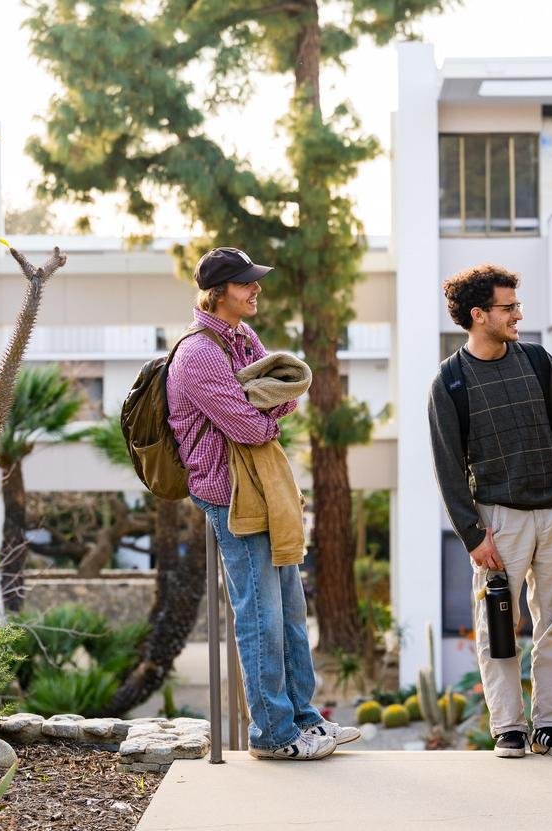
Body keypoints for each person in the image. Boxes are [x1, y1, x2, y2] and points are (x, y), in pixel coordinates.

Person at [167, 246, 359, 760]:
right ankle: (272, 734)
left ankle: (303, 719)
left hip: (267, 491)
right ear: (217, 291)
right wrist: (261, 401)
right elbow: (252, 425)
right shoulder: (199, 354)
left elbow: (289, 389)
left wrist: (260, 398)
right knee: (261, 620)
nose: (256, 289)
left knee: (293, 615)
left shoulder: (242, 337)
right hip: (232, 498)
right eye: (245, 283)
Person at [428, 263, 552, 759]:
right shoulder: (449, 383)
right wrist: (473, 535)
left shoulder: (538, 362)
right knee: (498, 625)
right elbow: (449, 470)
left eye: (517, 304)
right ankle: (509, 727)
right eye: (508, 307)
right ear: (478, 315)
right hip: (498, 520)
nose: (518, 313)